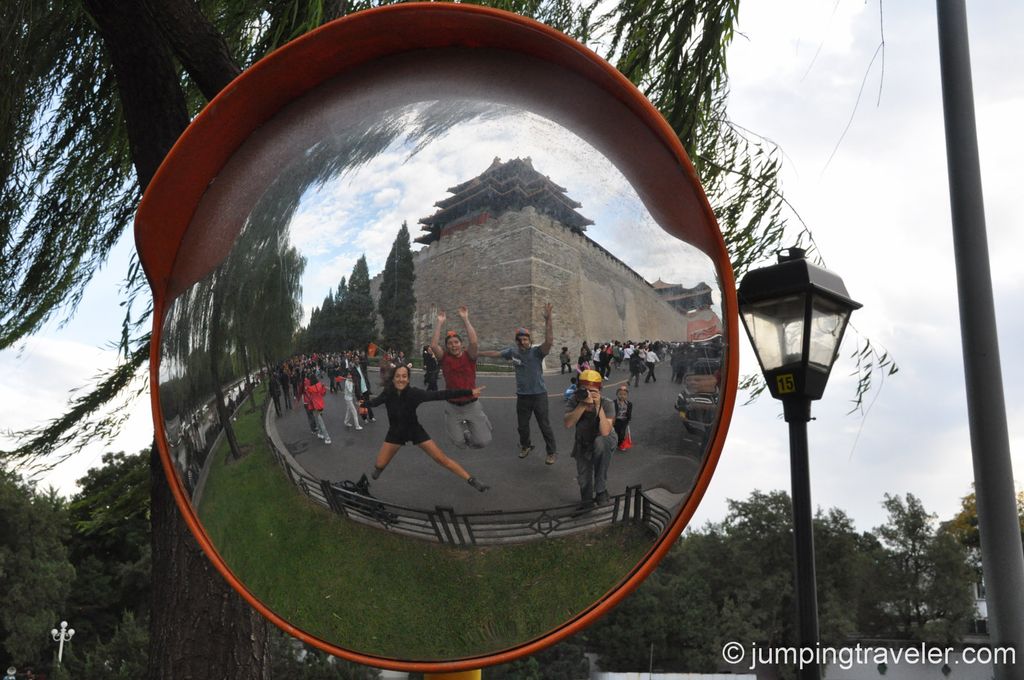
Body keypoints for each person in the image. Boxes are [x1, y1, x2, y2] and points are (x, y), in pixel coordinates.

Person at [364, 365, 488, 491]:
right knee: (379, 464)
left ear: (408, 379)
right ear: (393, 379)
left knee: (441, 459)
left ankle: (471, 480)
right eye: (398, 376)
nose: (401, 379)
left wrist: (469, 392)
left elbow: (441, 394)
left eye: (404, 376)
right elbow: (375, 402)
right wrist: (364, 404)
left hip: (415, 431)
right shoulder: (388, 392)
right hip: (395, 433)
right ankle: (379, 468)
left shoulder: (415, 393)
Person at [479, 303, 558, 464]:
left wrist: (548, 320)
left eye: (526, 339)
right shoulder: (512, 352)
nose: (523, 342)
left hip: (539, 395)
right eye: (520, 339)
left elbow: (549, 341)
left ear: (530, 340)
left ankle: (551, 452)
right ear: (517, 341)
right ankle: (526, 446)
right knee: (522, 426)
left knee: (544, 425)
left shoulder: (537, 352)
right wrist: (478, 352)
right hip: (522, 396)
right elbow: (496, 354)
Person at [430, 306, 492, 449]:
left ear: (461, 345)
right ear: (446, 347)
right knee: (459, 443)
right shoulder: (444, 358)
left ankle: (481, 421)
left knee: (483, 442)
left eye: (456, 342)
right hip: (453, 406)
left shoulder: (469, 356)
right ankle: (466, 434)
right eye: (450, 343)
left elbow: (474, 342)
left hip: (471, 404)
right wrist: (439, 322)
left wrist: (465, 318)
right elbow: (433, 345)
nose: (453, 345)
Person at [563, 369, 616, 508]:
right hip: (583, 441)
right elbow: (568, 424)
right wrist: (583, 404)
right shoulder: (575, 400)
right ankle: (586, 504)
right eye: (584, 389)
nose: (587, 393)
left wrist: (598, 406)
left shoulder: (607, 403)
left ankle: (600, 490)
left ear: (599, 390)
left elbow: (605, 431)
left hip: (604, 439)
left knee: (601, 444)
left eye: (591, 390)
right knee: (583, 478)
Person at [303, 373, 331, 444]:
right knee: (320, 420)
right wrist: (323, 387)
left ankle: (327, 437)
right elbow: (323, 394)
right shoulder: (320, 385)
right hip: (321, 405)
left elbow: (308, 395)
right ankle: (320, 433)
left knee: (321, 422)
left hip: (315, 406)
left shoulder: (310, 388)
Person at [613, 384, 633, 450]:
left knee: (622, 432)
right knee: (615, 432)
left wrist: (629, 418)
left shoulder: (629, 404)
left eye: (624, 394)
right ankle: (615, 443)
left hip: (624, 420)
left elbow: (629, 412)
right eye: (620, 394)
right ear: (617, 394)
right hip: (616, 420)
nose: (622, 396)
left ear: (627, 396)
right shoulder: (613, 403)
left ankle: (621, 444)